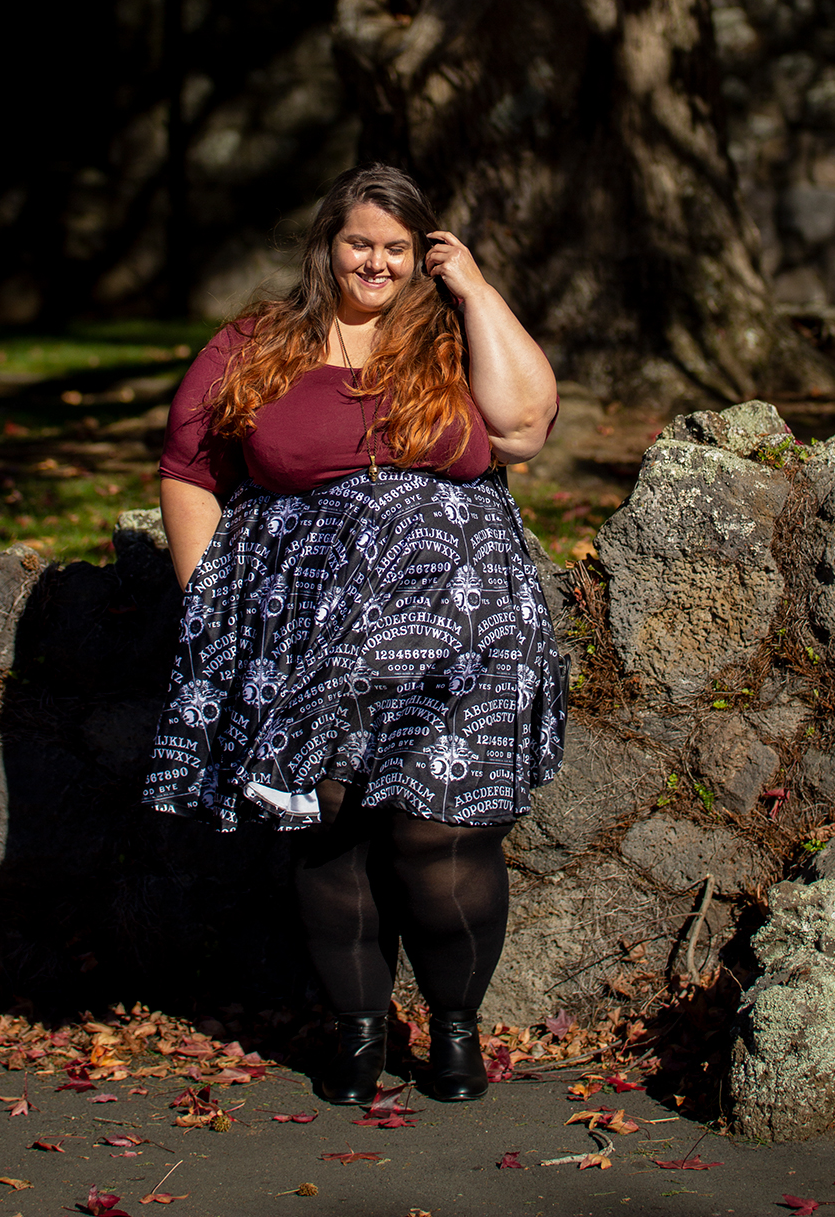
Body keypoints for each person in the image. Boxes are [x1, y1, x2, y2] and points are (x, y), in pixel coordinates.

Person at [143, 163, 566, 1104]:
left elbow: (527, 429)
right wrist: (210, 604)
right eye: (359, 243)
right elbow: (188, 468)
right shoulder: (256, 341)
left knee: (439, 828)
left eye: (397, 247)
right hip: (308, 623)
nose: (376, 262)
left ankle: (455, 1029)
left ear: (422, 255)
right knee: (331, 827)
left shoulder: (454, 333)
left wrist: (478, 289)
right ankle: (359, 1030)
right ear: (327, 245)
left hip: (464, 618)